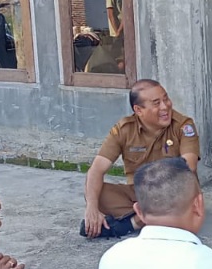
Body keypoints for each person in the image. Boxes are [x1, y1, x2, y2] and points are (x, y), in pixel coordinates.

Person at [82, 79, 199, 239]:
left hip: (171, 192)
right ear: (138, 110)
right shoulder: (124, 130)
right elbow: (96, 170)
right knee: (96, 191)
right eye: (156, 103)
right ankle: (155, 219)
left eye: (166, 99)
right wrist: (92, 208)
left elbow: (188, 167)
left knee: (183, 194)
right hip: (138, 193)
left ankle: (130, 224)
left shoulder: (183, 126)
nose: (165, 106)